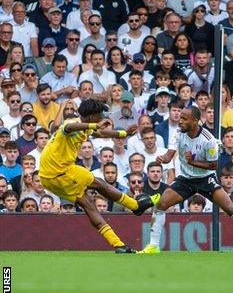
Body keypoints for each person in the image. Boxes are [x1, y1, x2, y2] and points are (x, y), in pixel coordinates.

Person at [138, 106, 233, 254]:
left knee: (229, 206)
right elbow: (169, 155)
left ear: (195, 121)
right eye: (180, 118)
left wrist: (193, 162)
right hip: (185, 179)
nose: (180, 121)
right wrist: (162, 159)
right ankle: (153, 246)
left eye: (184, 119)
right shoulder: (178, 133)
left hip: (205, 179)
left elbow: (213, 165)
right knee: (161, 204)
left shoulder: (209, 140)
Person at [38, 99, 158, 253]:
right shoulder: (73, 124)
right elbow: (68, 127)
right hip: (60, 172)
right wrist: (94, 125)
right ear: (90, 117)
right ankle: (135, 206)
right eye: (99, 115)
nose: (101, 117)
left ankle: (118, 245)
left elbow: (100, 132)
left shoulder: (85, 126)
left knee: (88, 205)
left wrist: (123, 133)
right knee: (100, 183)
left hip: (47, 177)